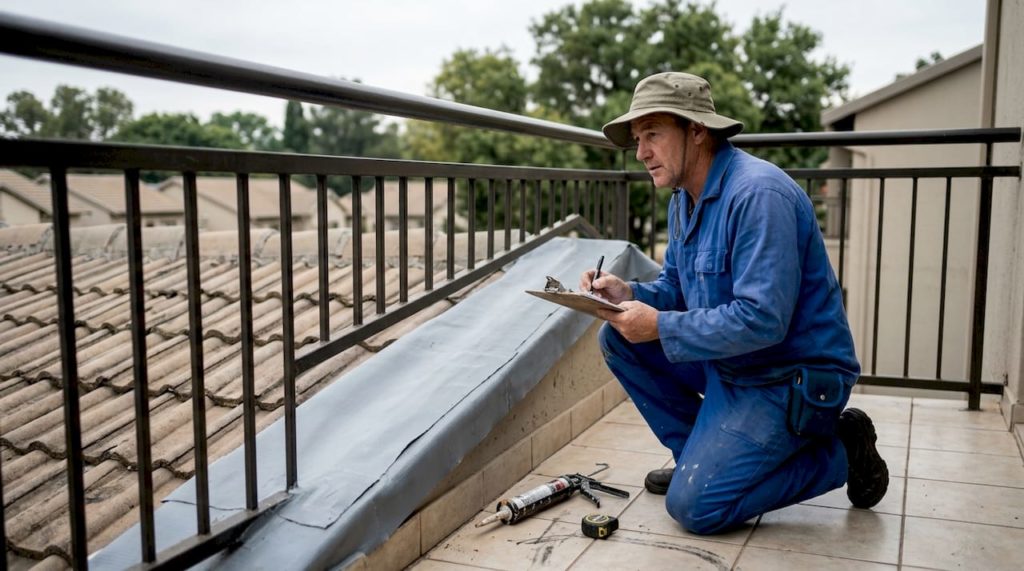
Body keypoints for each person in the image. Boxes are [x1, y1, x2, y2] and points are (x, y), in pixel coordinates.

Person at [581, 71, 888, 535]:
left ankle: (842, 450)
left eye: (653, 135)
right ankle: (697, 463)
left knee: (696, 511)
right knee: (618, 338)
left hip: (789, 377)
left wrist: (661, 325)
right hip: (733, 363)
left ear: (697, 131)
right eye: (638, 139)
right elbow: (677, 292)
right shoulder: (684, 199)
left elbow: (764, 320)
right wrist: (628, 294)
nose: (641, 152)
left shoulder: (758, 195)